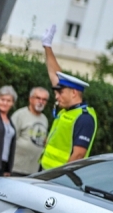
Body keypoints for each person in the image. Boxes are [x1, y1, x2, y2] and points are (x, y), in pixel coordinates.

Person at [38, 25, 97, 169]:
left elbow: (78, 155)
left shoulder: (84, 118)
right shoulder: (68, 110)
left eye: (60, 93)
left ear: (74, 93)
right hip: (46, 172)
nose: (56, 96)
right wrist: (47, 47)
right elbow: (56, 77)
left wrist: (59, 177)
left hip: (59, 180)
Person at [11, 87, 50, 176]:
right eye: (38, 98)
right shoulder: (20, 115)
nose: (41, 102)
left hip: (33, 171)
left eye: (44, 99)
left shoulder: (44, 119)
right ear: (30, 99)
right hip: (16, 168)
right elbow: (10, 140)